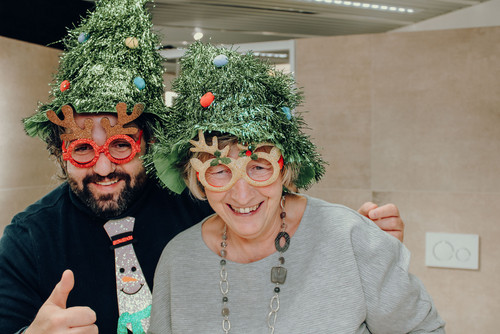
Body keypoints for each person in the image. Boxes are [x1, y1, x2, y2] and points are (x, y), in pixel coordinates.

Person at [0, 1, 405, 334]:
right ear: (59, 151)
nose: (104, 166)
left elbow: (280, 229)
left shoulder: (205, 201)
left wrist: (364, 248)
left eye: (122, 145)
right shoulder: (28, 240)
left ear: (151, 141)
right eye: (82, 150)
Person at [147, 42, 445, 333]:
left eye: (258, 167)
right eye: (220, 171)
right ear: (197, 177)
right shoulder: (179, 259)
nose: (242, 195)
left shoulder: (350, 238)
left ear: (284, 168)